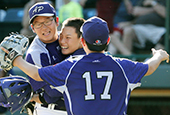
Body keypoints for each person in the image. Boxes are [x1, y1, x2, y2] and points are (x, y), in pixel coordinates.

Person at [2, 16, 169, 115]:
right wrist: (159, 55)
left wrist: (15, 58)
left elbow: (36, 74)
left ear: (82, 41)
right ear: (108, 41)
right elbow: (150, 68)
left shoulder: (70, 66)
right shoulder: (123, 66)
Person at [25, 2, 67, 115]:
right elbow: (52, 93)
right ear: (33, 28)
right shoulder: (35, 53)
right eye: (38, 24)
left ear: (57, 21)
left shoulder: (70, 40)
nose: (44, 27)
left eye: (48, 21)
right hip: (50, 110)